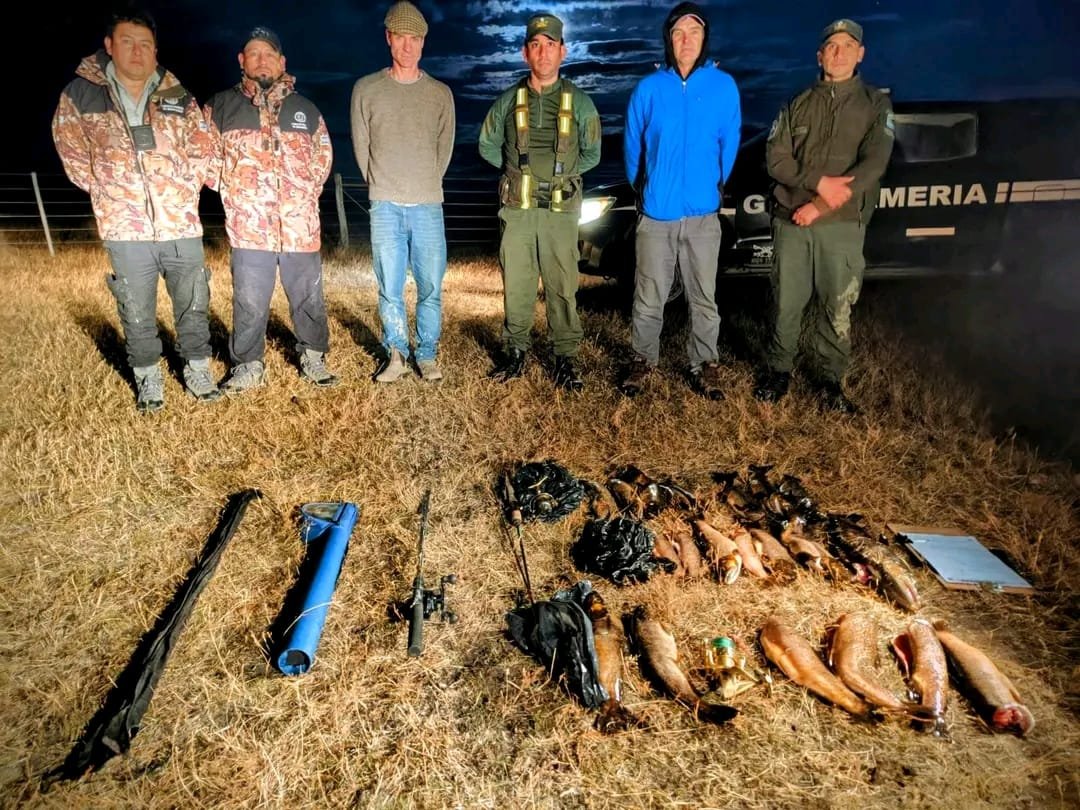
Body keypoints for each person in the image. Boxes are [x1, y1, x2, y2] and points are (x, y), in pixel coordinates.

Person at [52, 5, 220, 413]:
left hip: (180, 222)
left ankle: (198, 370)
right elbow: (72, 153)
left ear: (155, 50)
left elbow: (203, 148)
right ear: (109, 45)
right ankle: (148, 379)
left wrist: (181, 190)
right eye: (127, 42)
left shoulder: (177, 94)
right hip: (124, 228)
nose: (137, 51)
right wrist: (111, 193)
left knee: (194, 301)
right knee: (135, 307)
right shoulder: (79, 95)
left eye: (146, 44)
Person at [753, 18, 894, 413]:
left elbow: (873, 164)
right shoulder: (796, 103)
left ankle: (829, 379)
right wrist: (816, 181)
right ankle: (778, 370)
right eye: (832, 46)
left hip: (841, 222)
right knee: (786, 300)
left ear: (860, 54)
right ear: (819, 55)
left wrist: (820, 204)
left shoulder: (875, 105)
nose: (839, 52)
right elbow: (776, 159)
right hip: (791, 221)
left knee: (837, 304)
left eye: (848, 45)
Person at [203, 26, 338, 393]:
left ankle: (313, 357)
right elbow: (205, 158)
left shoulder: (306, 110)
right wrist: (236, 192)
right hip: (249, 227)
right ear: (242, 61)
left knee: (308, 296)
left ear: (282, 62)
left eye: (269, 54)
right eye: (254, 53)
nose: (262, 60)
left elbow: (322, 159)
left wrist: (302, 195)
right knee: (248, 300)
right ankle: (248, 365)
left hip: (300, 227)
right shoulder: (220, 107)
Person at [620, 2, 742, 400]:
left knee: (704, 297)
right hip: (657, 213)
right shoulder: (649, 88)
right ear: (668, 40)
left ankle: (704, 363)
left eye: (694, 32)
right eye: (678, 33)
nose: (686, 40)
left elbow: (729, 144)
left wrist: (712, 187)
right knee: (648, 294)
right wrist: (646, 189)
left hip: (703, 215)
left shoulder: (723, 87)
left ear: (705, 39)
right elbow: (633, 147)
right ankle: (642, 358)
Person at [478, 13, 601, 392]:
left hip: (560, 213)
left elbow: (592, 152)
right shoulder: (506, 102)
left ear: (563, 51)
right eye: (535, 45)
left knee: (562, 285)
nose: (543, 52)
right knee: (517, 282)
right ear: (525, 53)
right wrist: (518, 176)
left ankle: (565, 357)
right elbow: (487, 145)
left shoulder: (581, 104)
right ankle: (515, 351)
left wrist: (558, 179)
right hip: (517, 211)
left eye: (550, 45)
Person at [351, 1, 455, 383]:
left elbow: (444, 148)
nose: (408, 46)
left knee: (430, 286)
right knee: (389, 286)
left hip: (428, 204)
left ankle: (426, 354)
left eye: (415, 38)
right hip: (385, 205)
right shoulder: (366, 90)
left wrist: (424, 182)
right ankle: (396, 352)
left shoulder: (440, 93)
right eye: (400, 37)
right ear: (388, 39)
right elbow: (362, 148)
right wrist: (382, 185)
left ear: (423, 42)